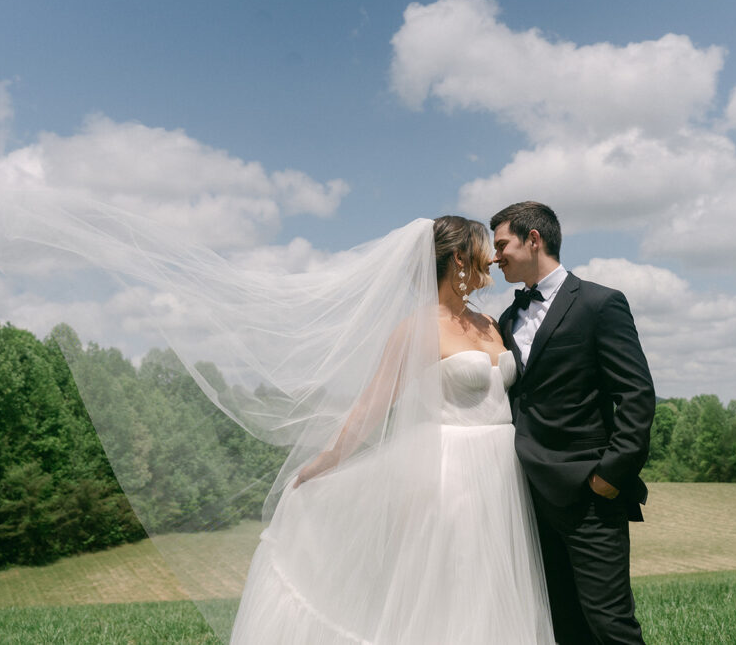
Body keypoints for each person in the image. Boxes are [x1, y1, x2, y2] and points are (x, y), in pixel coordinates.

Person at [229, 215, 555, 643]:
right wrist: (328, 459)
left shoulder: (490, 323)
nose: (493, 259)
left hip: (503, 472)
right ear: (459, 258)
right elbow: (371, 406)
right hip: (451, 473)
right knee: (455, 583)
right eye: (483, 250)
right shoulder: (415, 329)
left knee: (498, 586)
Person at [491, 201, 655, 644]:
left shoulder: (600, 304)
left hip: (589, 495)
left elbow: (636, 396)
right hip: (529, 497)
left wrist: (608, 476)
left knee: (609, 622)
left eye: (501, 243)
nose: (494, 256)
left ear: (534, 239)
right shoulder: (507, 319)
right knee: (563, 622)